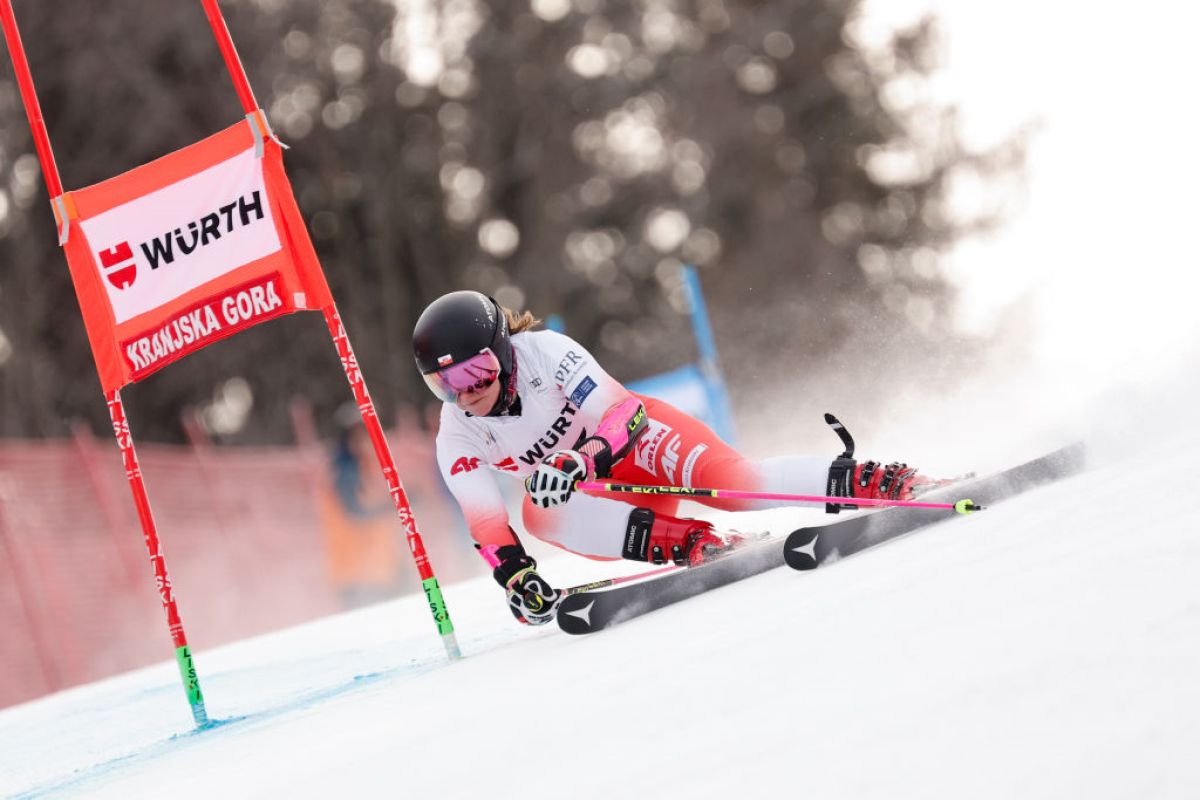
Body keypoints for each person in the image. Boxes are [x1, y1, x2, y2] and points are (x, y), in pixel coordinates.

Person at [413, 290, 940, 625]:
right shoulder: (457, 435)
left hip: (634, 443)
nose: (465, 393)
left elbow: (624, 414)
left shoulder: (545, 352)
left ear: (504, 350)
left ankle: (878, 482)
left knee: (736, 486)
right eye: (445, 384)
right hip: (612, 498)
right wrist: (516, 578)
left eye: (475, 372)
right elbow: (486, 524)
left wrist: (577, 463)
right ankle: (695, 544)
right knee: (537, 510)